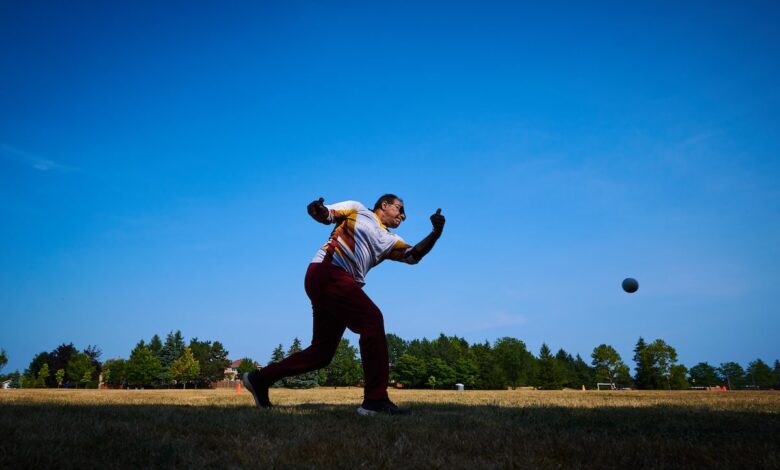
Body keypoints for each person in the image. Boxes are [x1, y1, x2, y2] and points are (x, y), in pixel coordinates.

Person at [243, 194, 445, 416]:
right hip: (328, 272)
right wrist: (317, 210)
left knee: (322, 353)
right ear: (384, 205)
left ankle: (259, 379)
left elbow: (412, 255)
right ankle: (375, 402)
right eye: (400, 209)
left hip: (338, 284)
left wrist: (435, 234)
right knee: (372, 320)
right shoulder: (358, 210)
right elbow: (327, 214)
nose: (403, 215)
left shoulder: (390, 240)